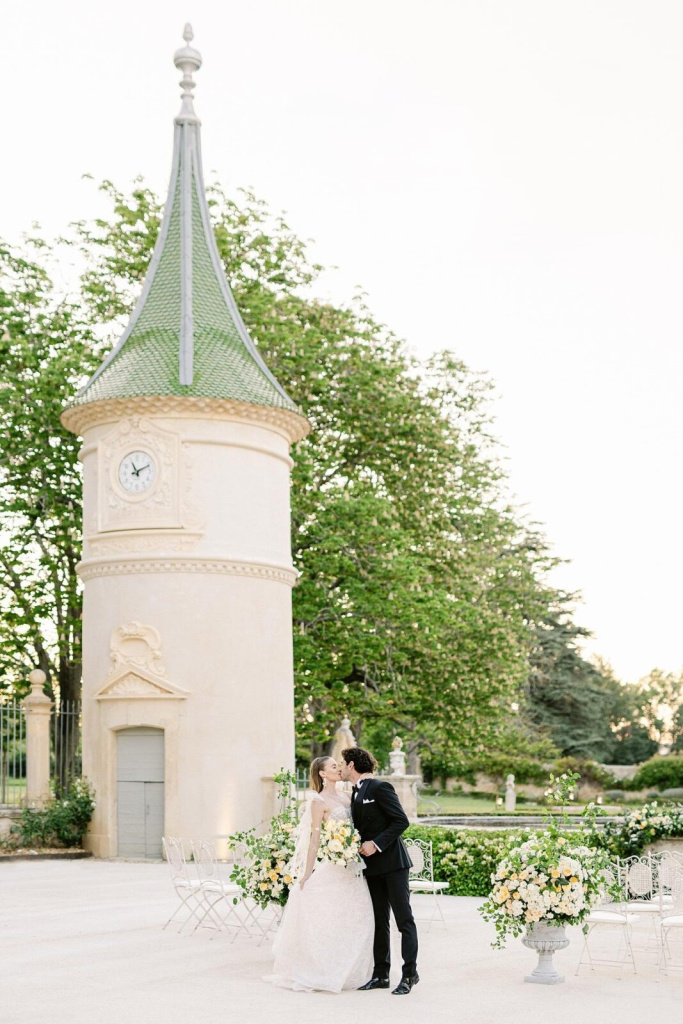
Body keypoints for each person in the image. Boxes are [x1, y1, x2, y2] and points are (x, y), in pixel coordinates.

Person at [265, 756, 373, 992]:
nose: (339, 768)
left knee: (359, 915)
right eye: (334, 766)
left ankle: (356, 970)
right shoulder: (318, 802)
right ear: (323, 774)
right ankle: (324, 969)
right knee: (330, 918)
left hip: (353, 866)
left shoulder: (347, 795)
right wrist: (307, 873)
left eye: (338, 765)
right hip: (334, 864)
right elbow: (315, 839)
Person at [341, 746, 419, 995]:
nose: (340, 768)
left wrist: (375, 844)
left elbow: (401, 821)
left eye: (342, 764)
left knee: (403, 920)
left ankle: (409, 975)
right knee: (379, 921)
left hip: (394, 865)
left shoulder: (378, 787)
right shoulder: (354, 793)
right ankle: (381, 975)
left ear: (351, 765)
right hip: (371, 868)